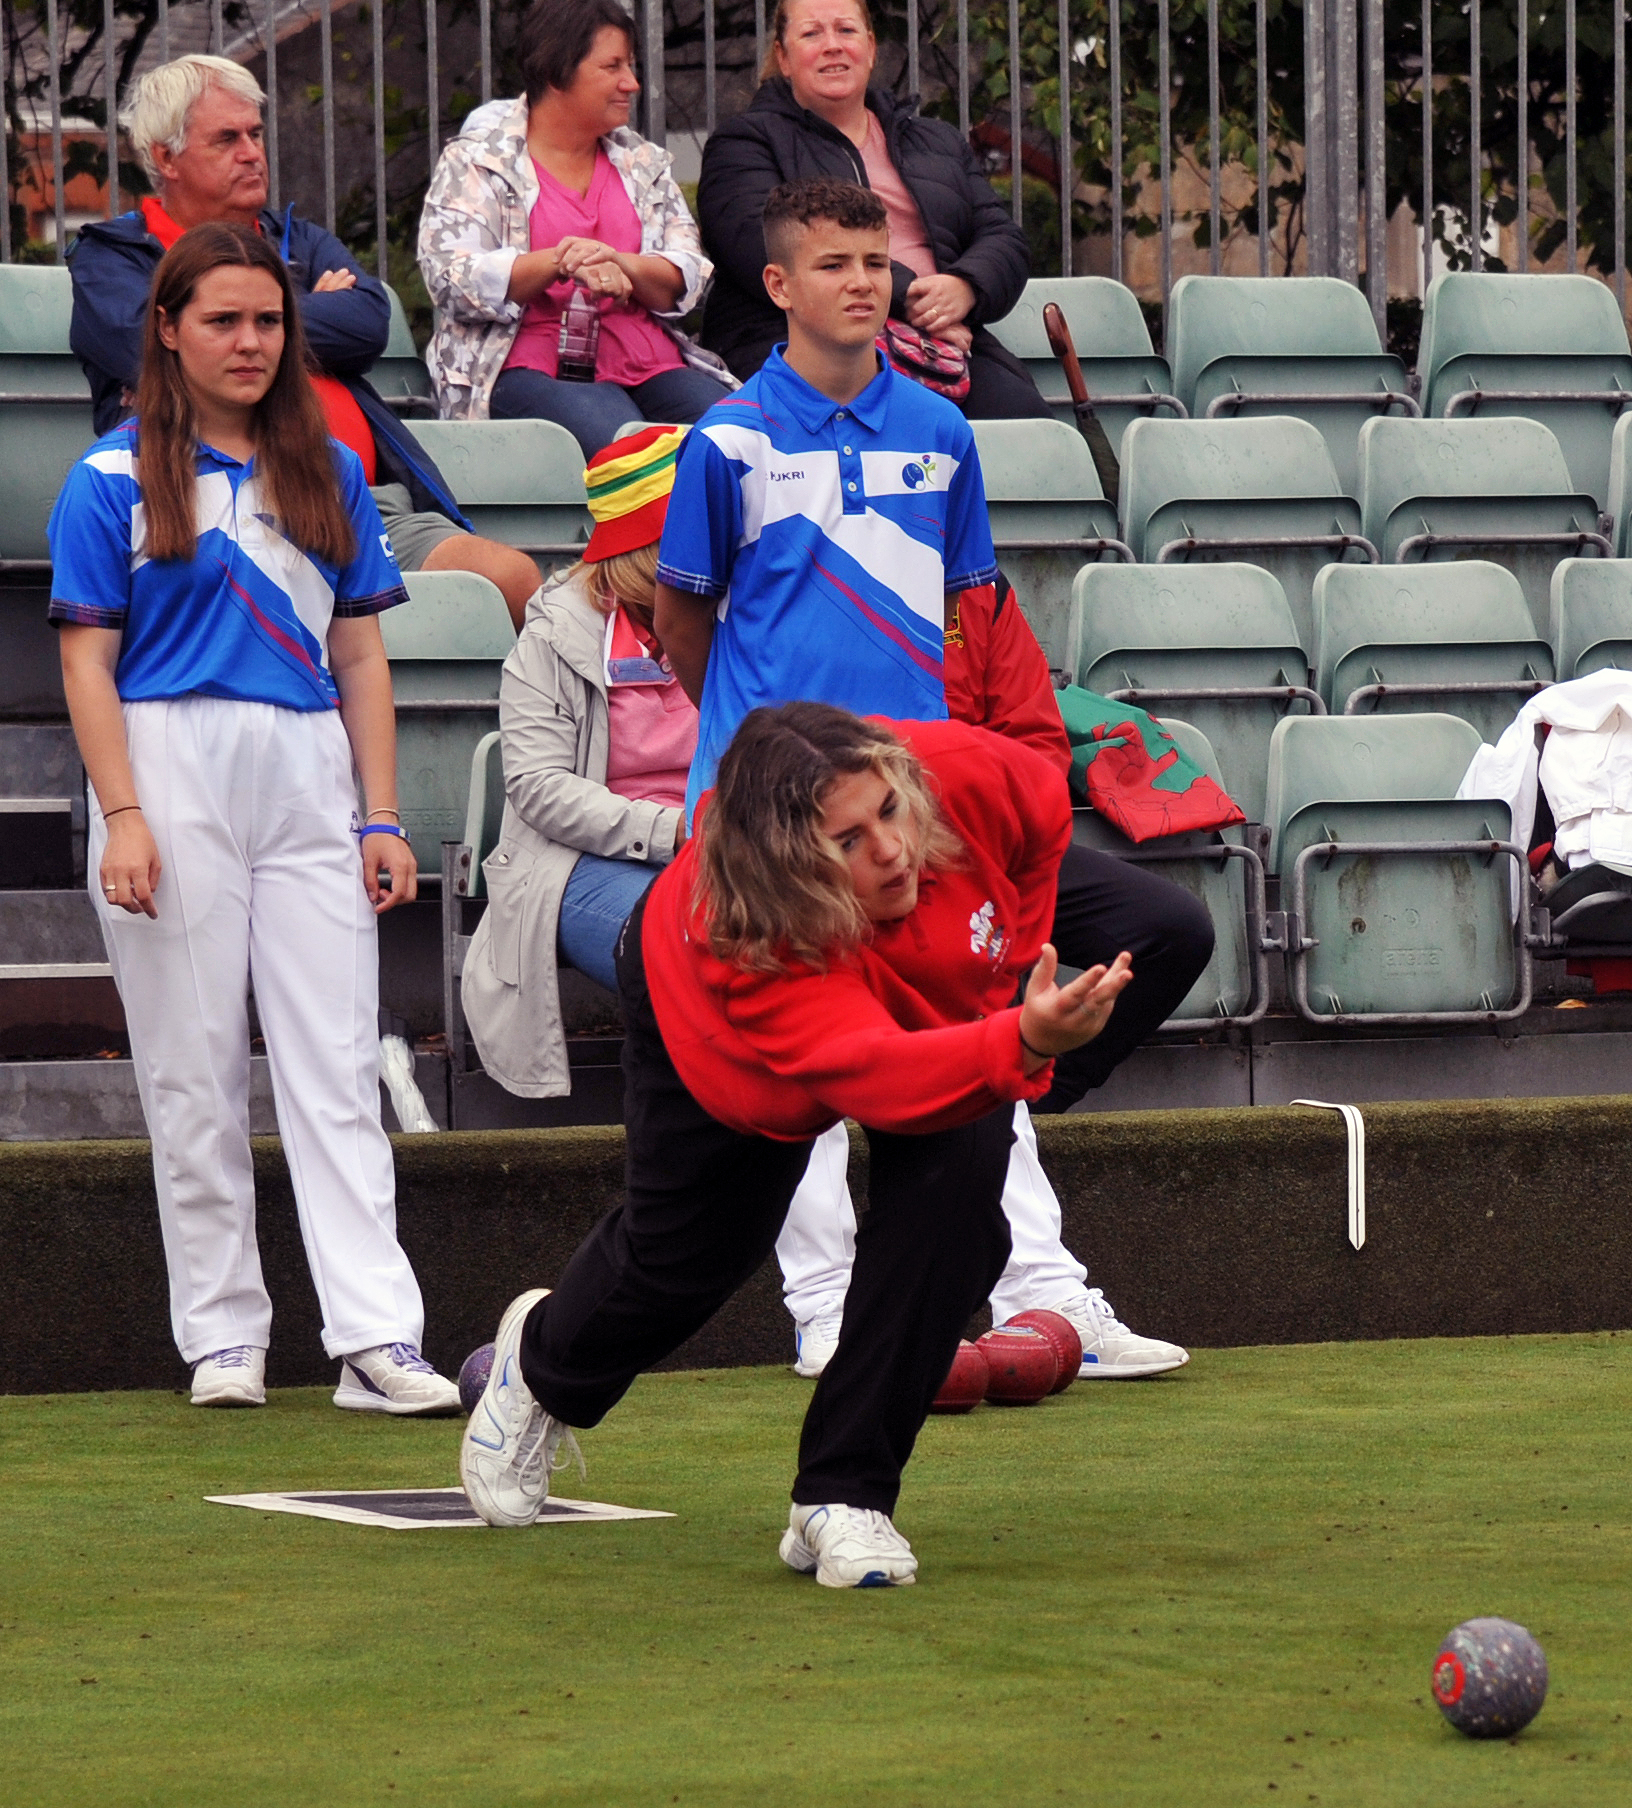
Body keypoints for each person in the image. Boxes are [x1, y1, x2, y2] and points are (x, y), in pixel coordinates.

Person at [460, 703, 1135, 1587]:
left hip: (902, 985)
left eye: (889, 811)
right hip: (727, 1050)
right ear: (788, 860)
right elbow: (866, 1070)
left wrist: (1001, 979)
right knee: (684, 1266)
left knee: (961, 1207)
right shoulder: (742, 933)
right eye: (849, 842)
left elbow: (1042, 812)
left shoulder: (972, 775)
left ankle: (842, 1496)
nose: (889, 848)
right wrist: (1022, 1042)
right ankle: (542, 1364)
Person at [49, 222, 461, 1416]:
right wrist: (123, 814)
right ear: (167, 329)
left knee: (336, 1058)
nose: (248, 342)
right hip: (166, 759)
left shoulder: (327, 467)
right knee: (194, 1069)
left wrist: (381, 815)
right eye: (222, 320)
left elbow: (363, 652)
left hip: (305, 762)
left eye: (268, 321)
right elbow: (87, 662)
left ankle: (376, 1335)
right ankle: (224, 1336)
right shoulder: (110, 476)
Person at [778, 573, 1202, 1380]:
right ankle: (826, 1301)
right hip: (812, 847)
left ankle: (1039, 1281)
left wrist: (965, 834)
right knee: (825, 1034)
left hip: (959, 827)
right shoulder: (798, 568)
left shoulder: (977, 586)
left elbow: (1036, 744)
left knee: (1164, 932)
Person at [68, 54, 543, 630]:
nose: (252, 152)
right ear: (166, 158)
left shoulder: (297, 238)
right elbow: (143, 347)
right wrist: (311, 303)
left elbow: (369, 322)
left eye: (255, 133)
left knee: (516, 583)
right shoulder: (113, 257)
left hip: (368, 503)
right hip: (219, 504)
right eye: (227, 139)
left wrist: (241, 318)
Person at [655, 177, 999, 816]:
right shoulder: (727, 440)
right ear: (778, 285)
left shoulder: (944, 430)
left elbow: (957, 604)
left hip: (905, 777)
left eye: (875, 262)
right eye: (833, 264)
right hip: (766, 789)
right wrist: (749, 728)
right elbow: (678, 621)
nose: (863, 282)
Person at [460, 424, 695, 1098]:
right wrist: (670, 831)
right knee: (682, 944)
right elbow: (537, 788)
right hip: (576, 861)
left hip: (722, 844)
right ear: (649, 552)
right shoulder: (557, 633)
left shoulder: (736, 612)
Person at [696, 0, 1051, 420]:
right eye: (812, 34)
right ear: (783, 58)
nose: (832, 46)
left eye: (846, 31)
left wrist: (964, 287)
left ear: (871, 47)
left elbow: (1003, 237)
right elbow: (761, 244)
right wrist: (913, 298)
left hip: (945, 344)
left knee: (1032, 430)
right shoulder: (744, 144)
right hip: (804, 344)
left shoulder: (936, 141)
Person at [417, 0, 734, 459]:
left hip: (647, 359)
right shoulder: (478, 160)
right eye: (612, 66)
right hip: (524, 363)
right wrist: (562, 261)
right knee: (630, 452)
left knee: (739, 440)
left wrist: (619, 261)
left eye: (631, 65)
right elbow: (451, 279)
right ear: (554, 71)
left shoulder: (641, 163)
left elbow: (686, 276)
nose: (632, 83)